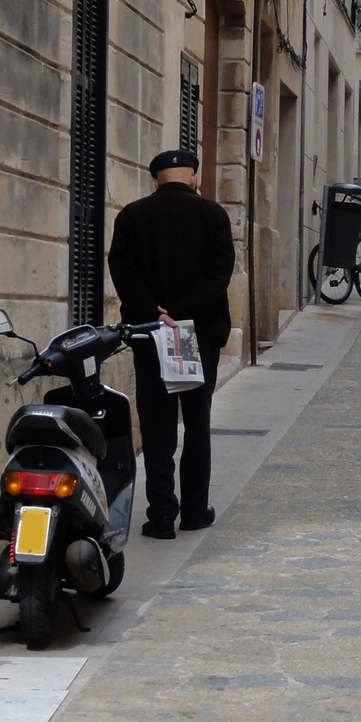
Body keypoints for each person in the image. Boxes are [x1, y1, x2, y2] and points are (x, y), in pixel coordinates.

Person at [108, 149, 235, 539]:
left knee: (157, 426)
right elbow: (220, 274)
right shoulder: (214, 215)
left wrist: (157, 312)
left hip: (152, 333)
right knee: (197, 424)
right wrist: (183, 312)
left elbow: (122, 271)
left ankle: (161, 515)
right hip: (197, 334)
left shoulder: (131, 215)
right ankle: (195, 510)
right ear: (193, 177)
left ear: (156, 179)